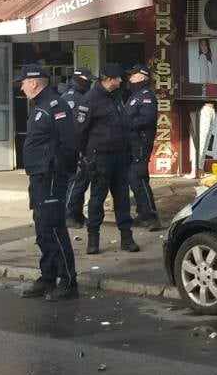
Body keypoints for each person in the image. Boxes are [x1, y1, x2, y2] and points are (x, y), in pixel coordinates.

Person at [18, 65, 81, 301]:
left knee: (54, 227)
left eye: (23, 82)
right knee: (42, 228)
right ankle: (47, 277)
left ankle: (68, 281)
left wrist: (57, 169)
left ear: (34, 82)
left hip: (51, 176)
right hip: (39, 177)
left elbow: (69, 143)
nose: (22, 86)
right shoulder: (40, 106)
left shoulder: (55, 105)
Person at [78, 67, 138, 255]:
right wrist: (85, 156)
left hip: (119, 157)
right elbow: (80, 131)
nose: (121, 81)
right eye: (118, 78)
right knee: (97, 199)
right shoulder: (90, 99)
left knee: (122, 199)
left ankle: (127, 239)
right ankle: (93, 240)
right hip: (100, 158)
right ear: (108, 79)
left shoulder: (115, 96)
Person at [123, 63, 160, 228]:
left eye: (132, 75)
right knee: (134, 178)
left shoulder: (146, 95)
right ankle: (143, 212)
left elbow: (147, 119)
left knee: (138, 178)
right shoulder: (134, 95)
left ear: (141, 77)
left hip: (140, 143)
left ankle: (151, 216)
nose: (129, 78)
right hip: (132, 143)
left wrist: (125, 124)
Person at [60, 68, 95, 226]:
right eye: (88, 81)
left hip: (75, 146)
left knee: (80, 181)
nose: (90, 84)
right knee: (76, 181)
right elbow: (76, 127)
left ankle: (77, 213)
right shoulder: (74, 98)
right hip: (75, 147)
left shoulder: (73, 96)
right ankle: (69, 215)